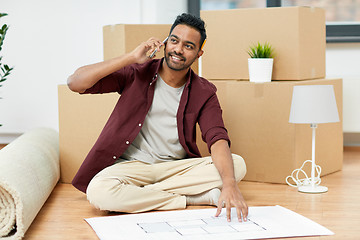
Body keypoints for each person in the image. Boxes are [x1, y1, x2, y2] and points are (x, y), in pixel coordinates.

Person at [67, 13, 248, 221]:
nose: (178, 49)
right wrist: (131, 57)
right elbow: (75, 83)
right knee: (98, 191)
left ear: (199, 54)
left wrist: (229, 185)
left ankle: (142, 194)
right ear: (165, 42)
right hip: (132, 168)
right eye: (174, 41)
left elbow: (217, 138)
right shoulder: (137, 73)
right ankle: (190, 198)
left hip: (175, 169)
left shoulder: (204, 91)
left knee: (237, 165)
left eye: (189, 46)